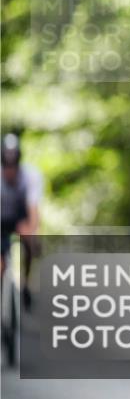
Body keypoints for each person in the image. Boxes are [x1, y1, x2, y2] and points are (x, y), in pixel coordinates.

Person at [1, 133, 43, 312]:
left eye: (13, 166)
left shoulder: (31, 176)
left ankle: (26, 283)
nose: (10, 171)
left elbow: (33, 210)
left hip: (20, 217)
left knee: (30, 241)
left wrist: (31, 234)